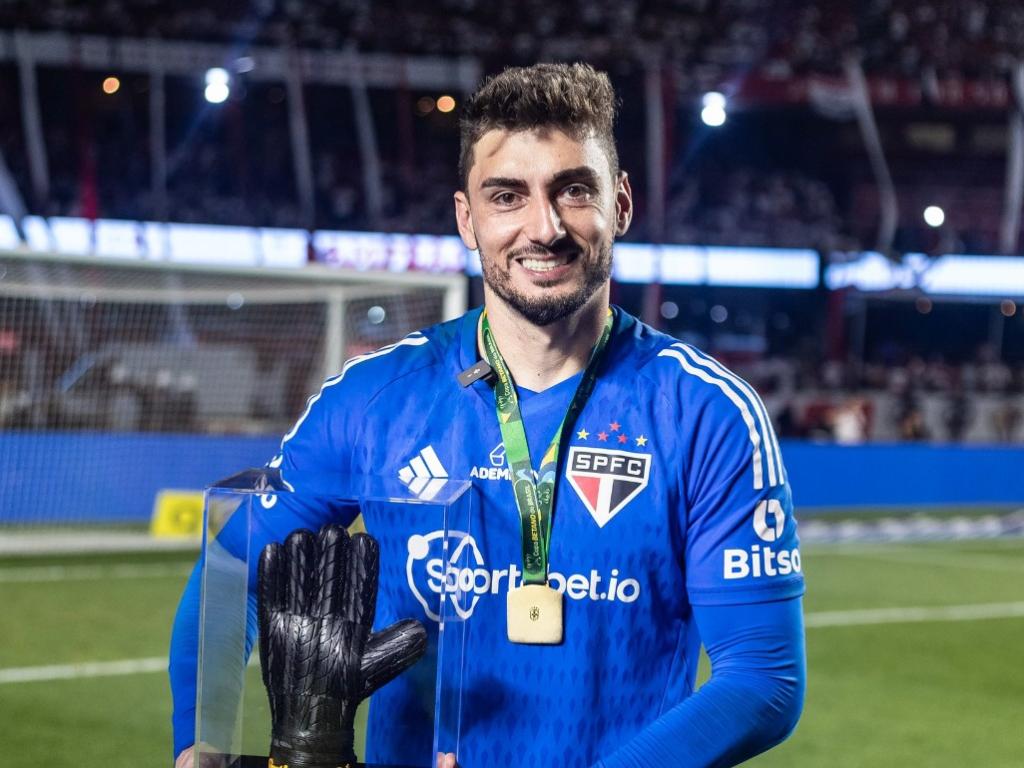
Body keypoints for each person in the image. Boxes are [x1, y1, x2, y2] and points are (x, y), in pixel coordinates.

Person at [170, 62, 806, 768]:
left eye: (574, 190)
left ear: (621, 204)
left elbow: (761, 679)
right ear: (467, 220)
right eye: (508, 196)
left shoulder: (708, 415)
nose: (545, 226)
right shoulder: (375, 398)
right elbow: (232, 564)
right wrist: (200, 746)